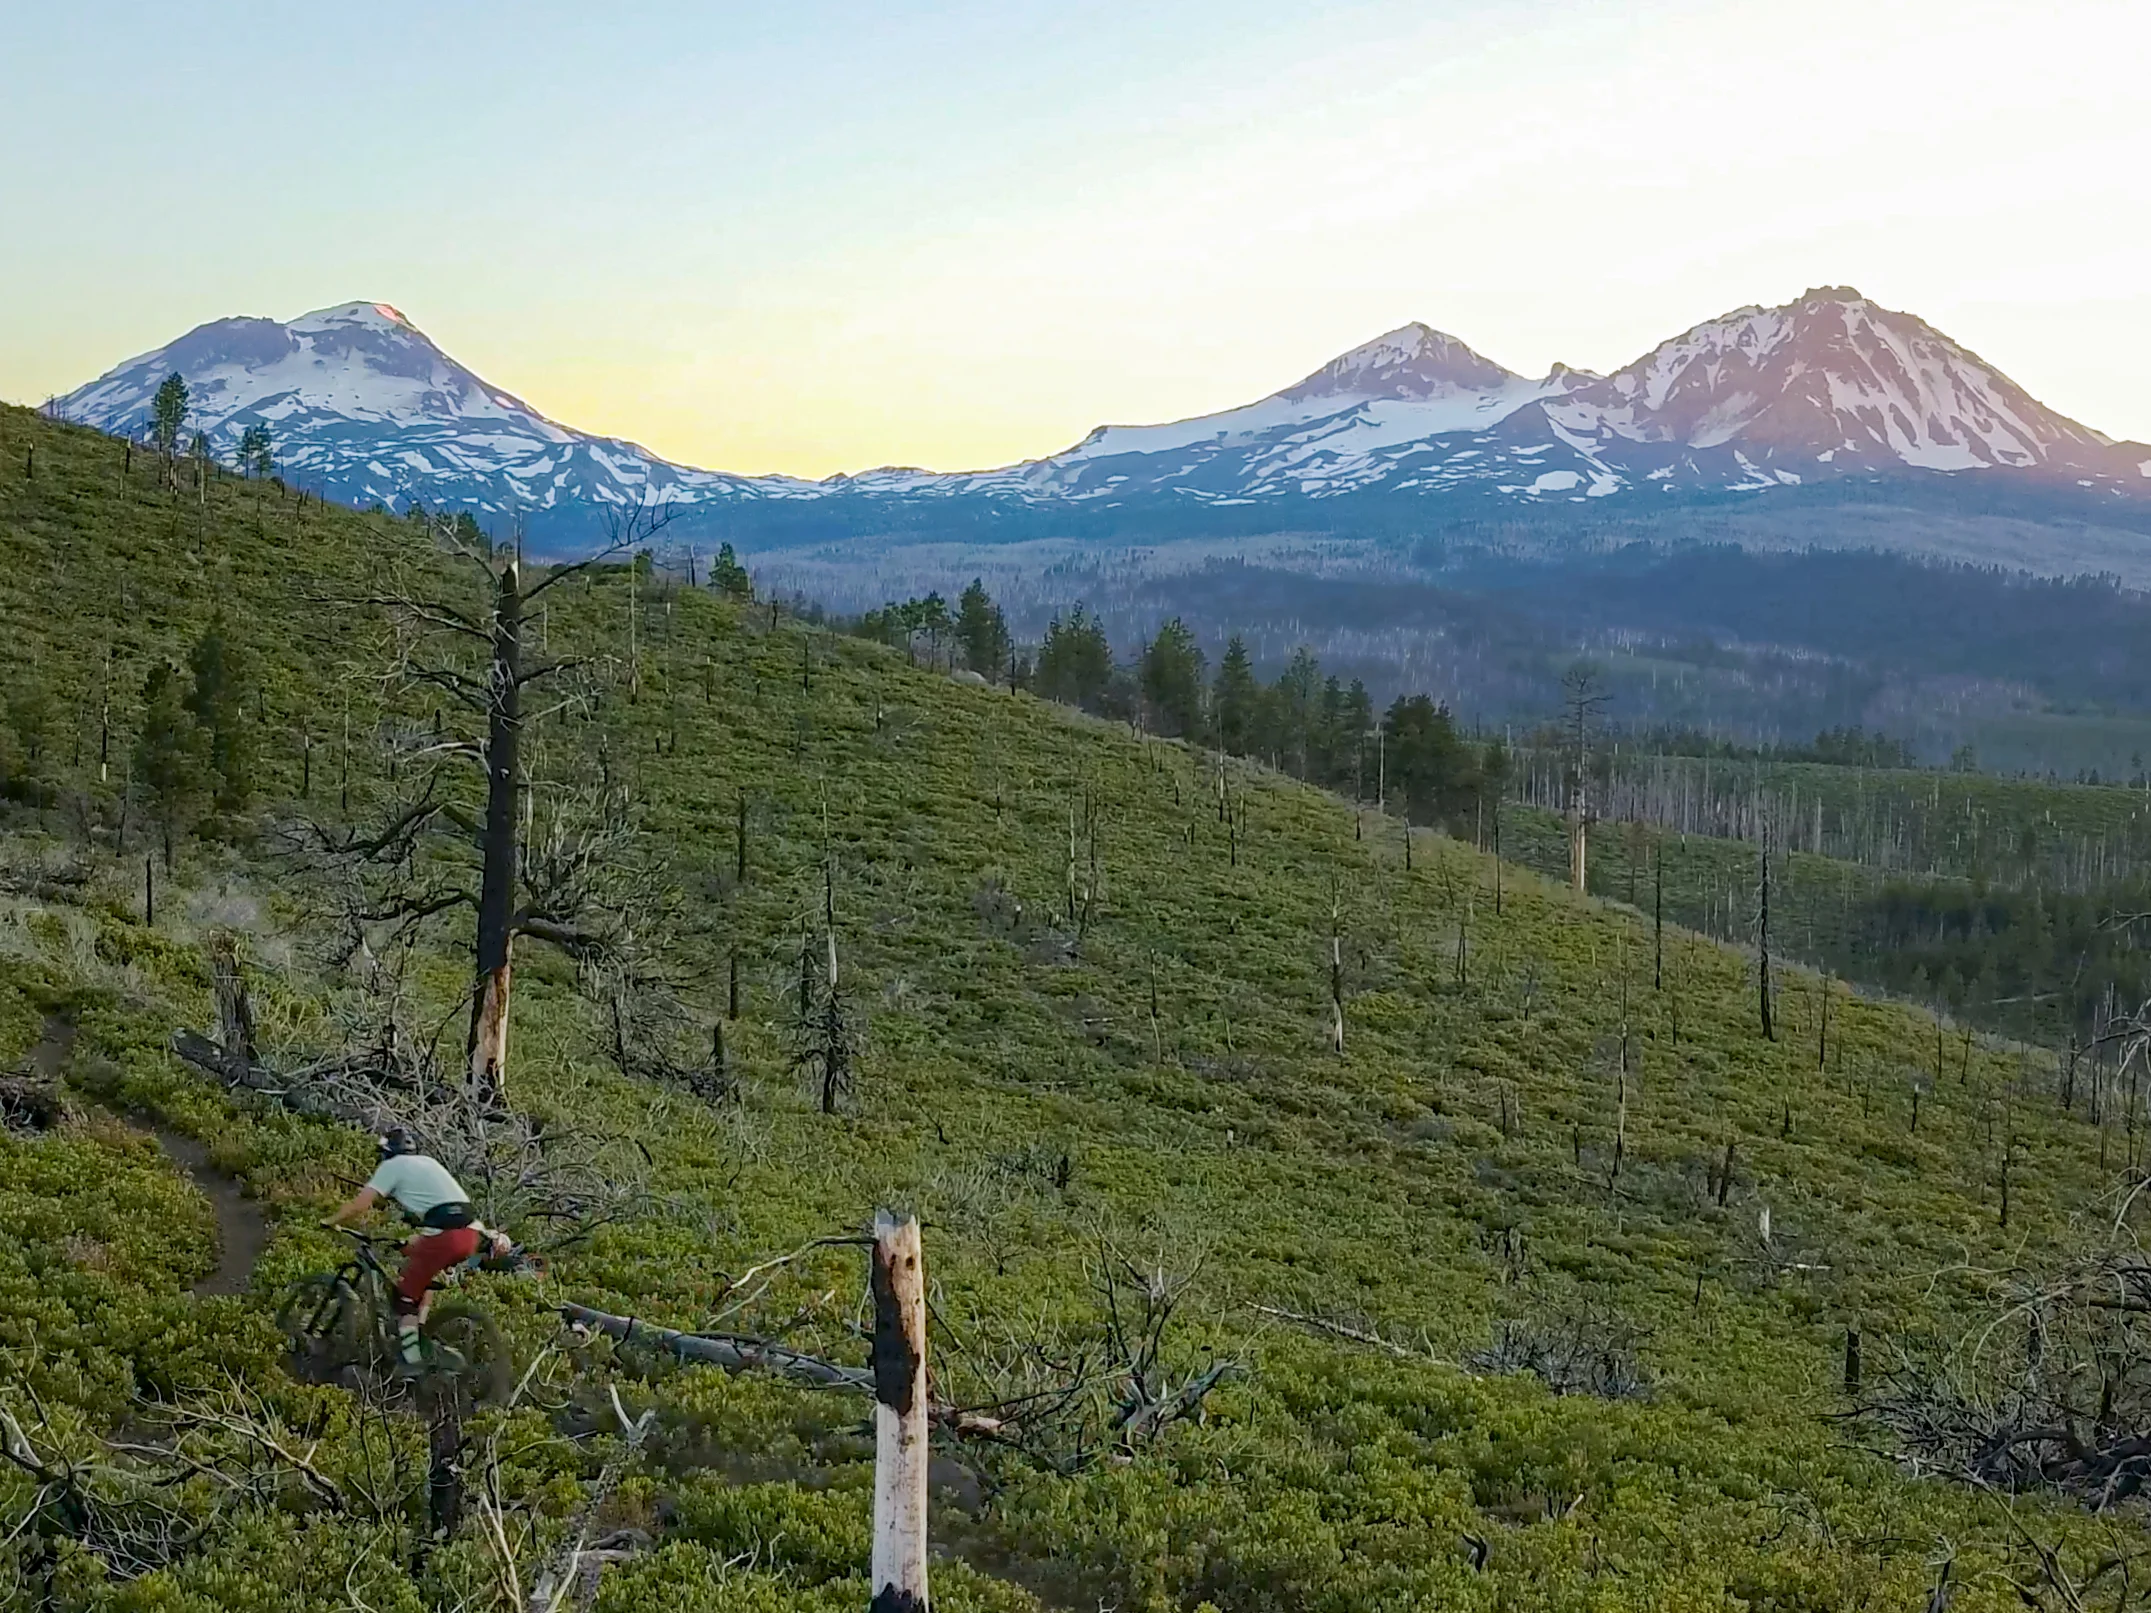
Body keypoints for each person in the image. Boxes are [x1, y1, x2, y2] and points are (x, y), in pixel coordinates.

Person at [324, 1129, 482, 1368]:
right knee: (422, 1273)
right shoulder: (428, 1163)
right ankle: (419, 1331)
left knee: (404, 1298)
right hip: (469, 1234)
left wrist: (332, 1221)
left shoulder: (392, 1166)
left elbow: (361, 1203)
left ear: (388, 1152)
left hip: (445, 1236)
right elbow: (441, 1212)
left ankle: (411, 1362)